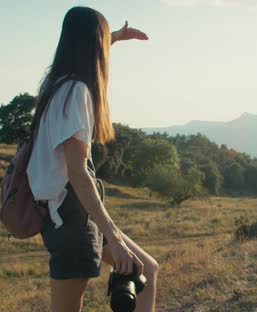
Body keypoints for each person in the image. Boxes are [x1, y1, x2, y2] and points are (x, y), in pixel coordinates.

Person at [26, 6, 158, 312]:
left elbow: (86, 48)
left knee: (146, 271)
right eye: (102, 40)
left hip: (73, 215)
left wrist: (114, 38)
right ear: (92, 45)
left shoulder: (55, 83)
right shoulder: (76, 93)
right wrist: (114, 236)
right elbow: (77, 173)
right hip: (71, 219)